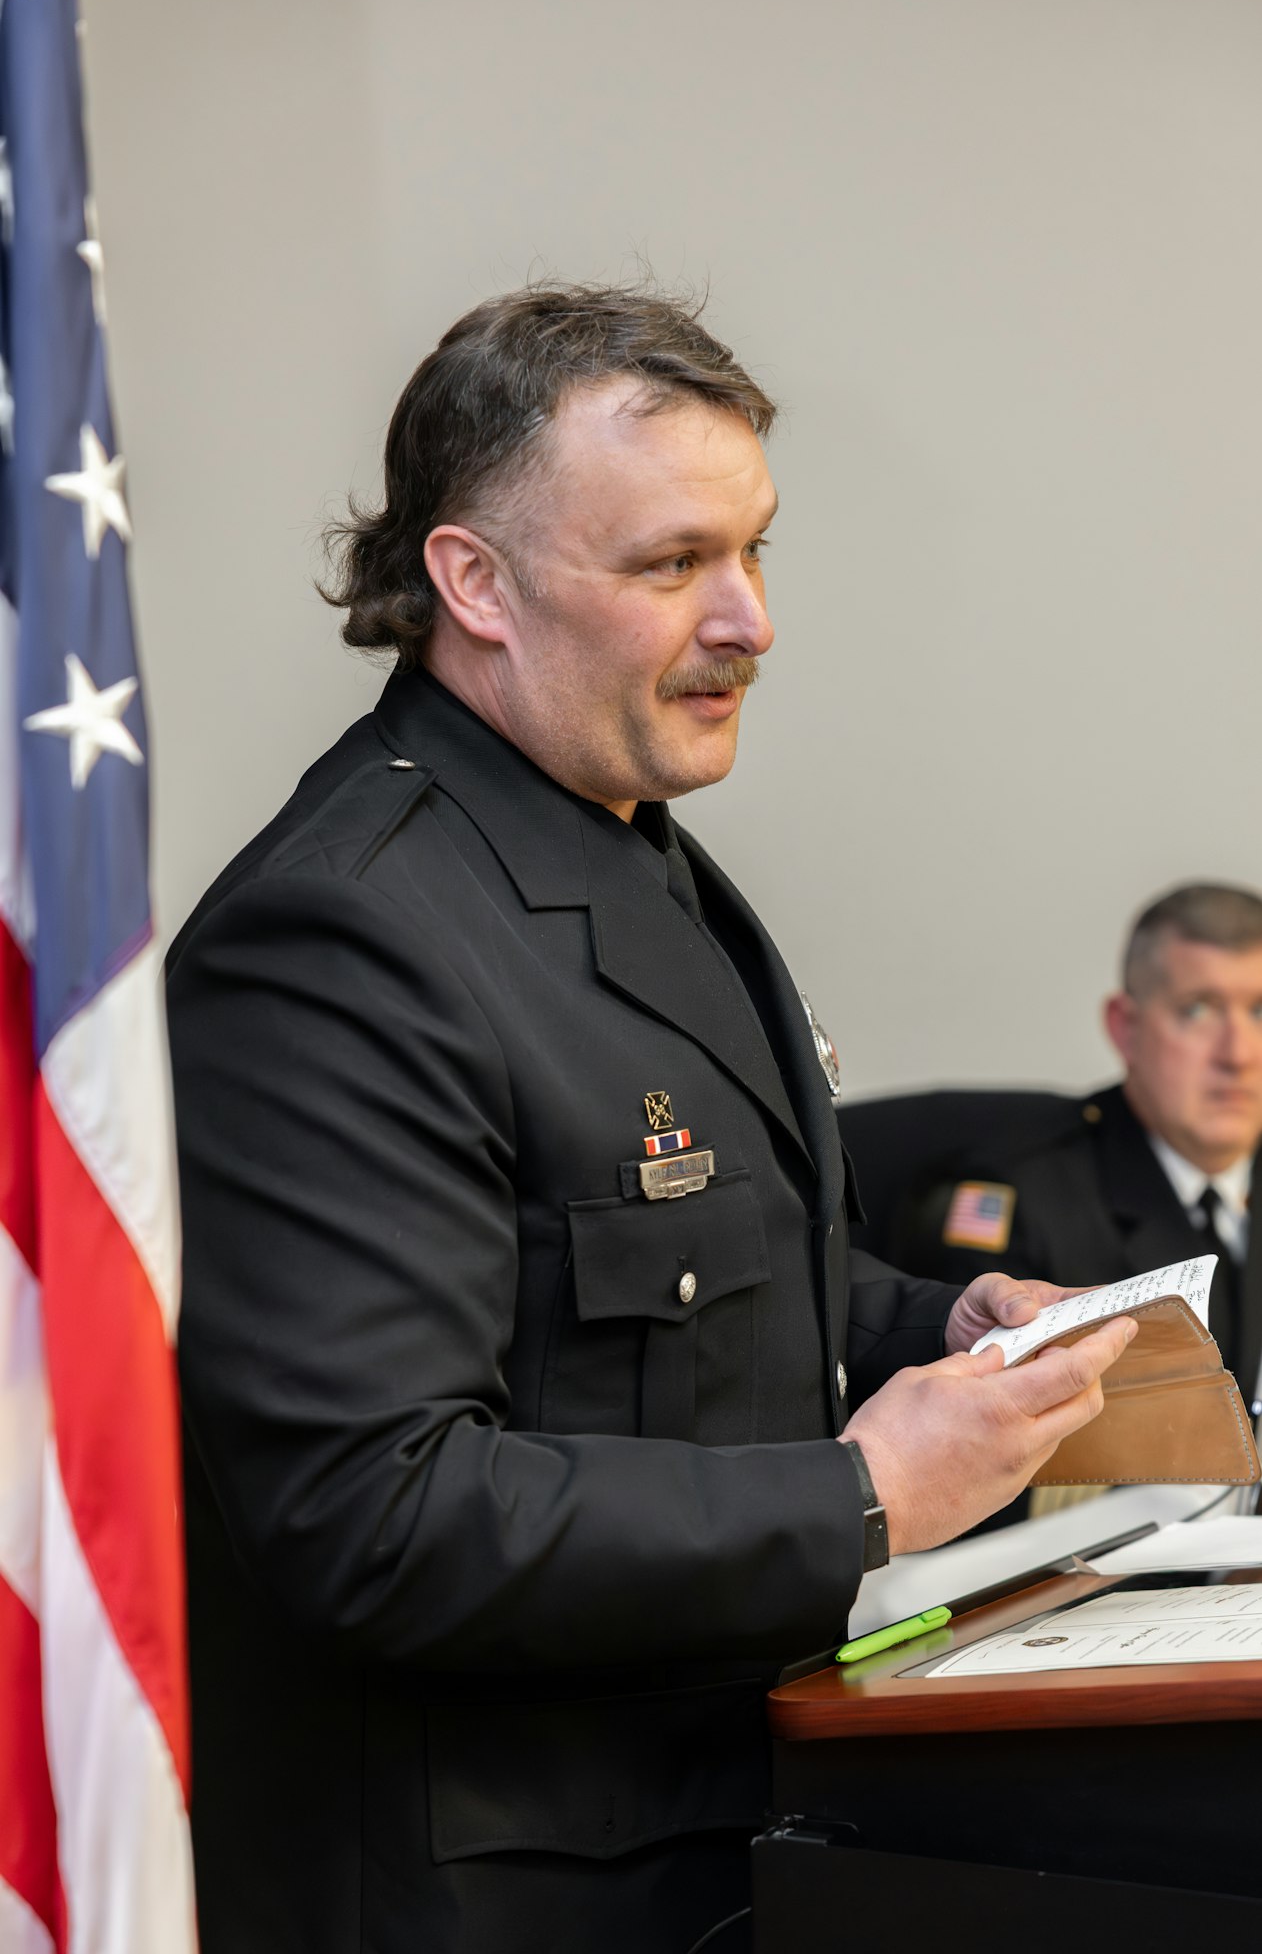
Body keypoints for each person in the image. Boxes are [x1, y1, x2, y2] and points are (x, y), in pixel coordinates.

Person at [166, 283, 1133, 1954]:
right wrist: (862, 1496)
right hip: (503, 1893)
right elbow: (372, 1512)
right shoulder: (342, 936)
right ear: (474, 584)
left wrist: (940, 1329)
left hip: (700, 1825)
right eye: (672, 564)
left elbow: (700, 1296)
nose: (751, 618)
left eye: (753, 550)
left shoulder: (611, 834)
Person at [895, 884, 1262, 1404]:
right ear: (1126, 1029)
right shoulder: (1020, 1197)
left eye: (1260, 1013)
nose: (1239, 1054)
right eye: (1198, 1011)